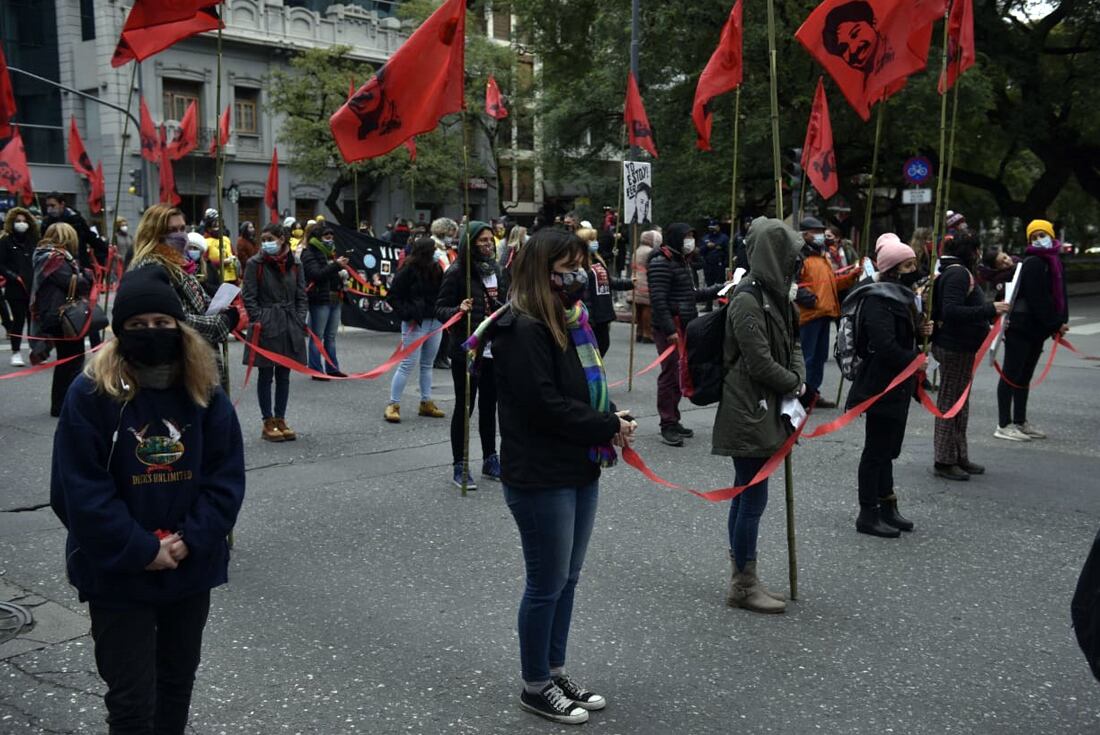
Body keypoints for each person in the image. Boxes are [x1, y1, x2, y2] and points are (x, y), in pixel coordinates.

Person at [50, 266, 245, 734]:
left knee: (176, 684)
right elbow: (77, 489)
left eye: (161, 323)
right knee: (132, 700)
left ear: (179, 327)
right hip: (118, 573)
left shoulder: (204, 391)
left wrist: (188, 539)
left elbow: (226, 477)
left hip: (189, 567)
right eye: (137, 326)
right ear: (119, 334)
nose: (151, 333)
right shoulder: (91, 394)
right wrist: (141, 549)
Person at [485, 227, 634, 724]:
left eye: (581, 265)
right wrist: (607, 423)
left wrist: (611, 414)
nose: (577, 277)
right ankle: (534, 684)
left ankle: (554, 667)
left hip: (578, 464)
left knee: (567, 578)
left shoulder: (573, 322)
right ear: (539, 272)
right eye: (566, 268)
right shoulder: (521, 327)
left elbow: (582, 388)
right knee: (546, 582)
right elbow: (545, 406)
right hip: (539, 472)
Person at [712, 217, 805, 614]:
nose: (796, 263)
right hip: (749, 407)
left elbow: (794, 342)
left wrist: (797, 376)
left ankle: (743, 575)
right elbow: (759, 362)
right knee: (752, 495)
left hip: (768, 403)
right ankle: (743, 583)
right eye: (791, 256)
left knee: (747, 491)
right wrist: (793, 383)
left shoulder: (777, 294)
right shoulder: (748, 298)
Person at [845, 235, 931, 538]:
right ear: (892, 269)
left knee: (889, 449)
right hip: (880, 385)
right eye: (908, 265)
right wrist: (913, 360)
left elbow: (903, 335)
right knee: (876, 451)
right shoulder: (877, 299)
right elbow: (884, 345)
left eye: (914, 263)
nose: (914, 269)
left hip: (900, 386)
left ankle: (888, 505)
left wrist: (920, 329)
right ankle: (867, 513)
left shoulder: (902, 295)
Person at [129, 205, 241, 386]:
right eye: (172, 230)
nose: (180, 235)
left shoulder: (179, 264)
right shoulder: (152, 268)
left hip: (199, 359)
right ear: (154, 234)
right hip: (179, 366)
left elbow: (202, 302)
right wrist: (222, 323)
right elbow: (175, 320)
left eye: (182, 229)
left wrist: (221, 308)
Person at [930, 233, 1009, 480]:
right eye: (977, 250)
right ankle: (944, 460)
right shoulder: (958, 274)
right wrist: (989, 309)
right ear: (972, 252)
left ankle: (958, 455)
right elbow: (951, 311)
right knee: (950, 404)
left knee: (959, 404)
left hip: (961, 347)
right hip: (954, 346)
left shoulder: (956, 271)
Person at [435, 220, 507, 488]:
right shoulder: (457, 272)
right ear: (471, 243)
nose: (489, 245)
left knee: (491, 407)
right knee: (465, 407)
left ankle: (490, 458)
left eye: (491, 240)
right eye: (483, 241)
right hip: (467, 349)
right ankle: (460, 465)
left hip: (494, 350)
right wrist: (458, 309)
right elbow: (440, 308)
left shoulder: (497, 270)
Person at [648, 223, 723, 446]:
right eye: (687, 237)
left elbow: (691, 295)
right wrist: (670, 329)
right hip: (670, 328)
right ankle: (667, 424)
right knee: (670, 374)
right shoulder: (661, 262)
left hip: (685, 324)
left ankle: (674, 419)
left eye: (692, 236)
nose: (690, 241)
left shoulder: (682, 261)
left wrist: (723, 287)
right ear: (675, 238)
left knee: (680, 374)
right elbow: (658, 300)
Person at [995, 219, 1069, 442]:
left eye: (1042, 235)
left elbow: (1060, 295)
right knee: (1011, 375)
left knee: (1024, 376)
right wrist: (1056, 323)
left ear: (1051, 235)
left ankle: (1020, 421)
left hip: (1037, 329)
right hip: (1021, 327)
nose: (1039, 240)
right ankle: (1004, 424)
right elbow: (1039, 299)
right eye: (1034, 237)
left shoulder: (1054, 261)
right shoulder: (1034, 262)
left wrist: (1060, 321)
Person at [242, 223, 308, 442]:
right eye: (263, 239)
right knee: (266, 373)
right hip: (267, 323)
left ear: (282, 238)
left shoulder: (295, 263)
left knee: (284, 374)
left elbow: (301, 295)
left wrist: (299, 318)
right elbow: (248, 296)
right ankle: (267, 421)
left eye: (269, 238)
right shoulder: (255, 263)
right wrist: (260, 319)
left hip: (290, 322)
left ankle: (281, 418)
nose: (265, 243)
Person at [796, 216, 860, 407]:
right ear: (805, 234)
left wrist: (850, 277)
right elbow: (792, 285)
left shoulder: (822, 256)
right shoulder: (800, 257)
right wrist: (808, 298)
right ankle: (803, 395)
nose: (820, 236)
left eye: (820, 232)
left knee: (819, 357)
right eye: (816, 232)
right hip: (809, 314)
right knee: (807, 357)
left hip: (825, 312)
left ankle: (813, 393)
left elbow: (830, 283)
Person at [29, 223, 92, 416]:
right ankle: (63, 404)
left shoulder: (47, 256)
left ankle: (62, 403)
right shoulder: (55, 259)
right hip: (61, 315)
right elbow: (73, 283)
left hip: (55, 312)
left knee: (67, 361)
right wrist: (87, 277)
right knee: (71, 361)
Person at [384, 237, 446, 423]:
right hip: (415, 323)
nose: (437, 252)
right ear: (426, 251)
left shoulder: (436, 269)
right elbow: (392, 296)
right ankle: (393, 404)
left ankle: (426, 402)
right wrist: (407, 313)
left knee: (427, 364)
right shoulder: (407, 270)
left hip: (435, 321)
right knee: (407, 364)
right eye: (434, 249)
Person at [300, 224, 350, 380]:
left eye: (331, 238)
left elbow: (330, 275)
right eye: (326, 238)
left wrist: (342, 274)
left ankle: (332, 368)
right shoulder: (308, 253)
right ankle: (316, 369)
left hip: (335, 298)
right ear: (317, 238)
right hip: (320, 300)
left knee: (331, 337)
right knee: (317, 336)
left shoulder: (330, 253)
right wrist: (336, 266)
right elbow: (316, 274)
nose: (330, 241)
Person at [577, 227, 632, 356]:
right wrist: (588, 319)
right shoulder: (580, 266)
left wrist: (629, 283)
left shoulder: (598, 261)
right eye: (591, 240)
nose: (595, 242)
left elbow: (608, 281)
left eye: (595, 239)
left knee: (603, 346)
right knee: (593, 352)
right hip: (593, 317)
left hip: (604, 314)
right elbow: (584, 294)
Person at [0, 206, 40, 366]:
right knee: (18, 320)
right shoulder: (5, 241)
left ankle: (33, 349)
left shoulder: (33, 241)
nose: (21, 224)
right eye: (18, 221)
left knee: (33, 320)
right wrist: (13, 276)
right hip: (15, 288)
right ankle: (16, 352)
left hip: (33, 286)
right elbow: (0, 264)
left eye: (24, 221)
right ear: (12, 222)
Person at [43, 192, 106, 275]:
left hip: (78, 262)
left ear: (62, 204)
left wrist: (105, 248)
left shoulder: (76, 220)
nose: (50, 209)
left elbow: (90, 237)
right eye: (48, 206)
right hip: (56, 265)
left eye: (52, 205)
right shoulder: (46, 223)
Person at [631, 229, 659, 343]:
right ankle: (647, 333)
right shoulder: (650, 252)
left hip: (635, 281)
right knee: (647, 309)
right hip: (646, 283)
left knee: (638, 309)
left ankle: (639, 331)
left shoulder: (637, 250)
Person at [202, 209, 239, 288]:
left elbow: (234, 254)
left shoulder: (226, 239)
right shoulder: (205, 242)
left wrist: (234, 259)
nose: (218, 228)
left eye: (220, 225)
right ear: (209, 228)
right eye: (215, 226)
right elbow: (204, 263)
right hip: (217, 280)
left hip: (232, 279)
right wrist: (221, 263)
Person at [701, 219, 729, 289]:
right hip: (708, 265)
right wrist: (706, 247)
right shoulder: (705, 238)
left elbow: (727, 251)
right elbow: (701, 251)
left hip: (719, 265)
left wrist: (725, 264)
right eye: (710, 228)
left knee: (720, 286)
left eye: (714, 227)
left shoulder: (724, 238)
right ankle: (709, 299)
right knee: (709, 285)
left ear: (718, 227)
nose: (712, 229)